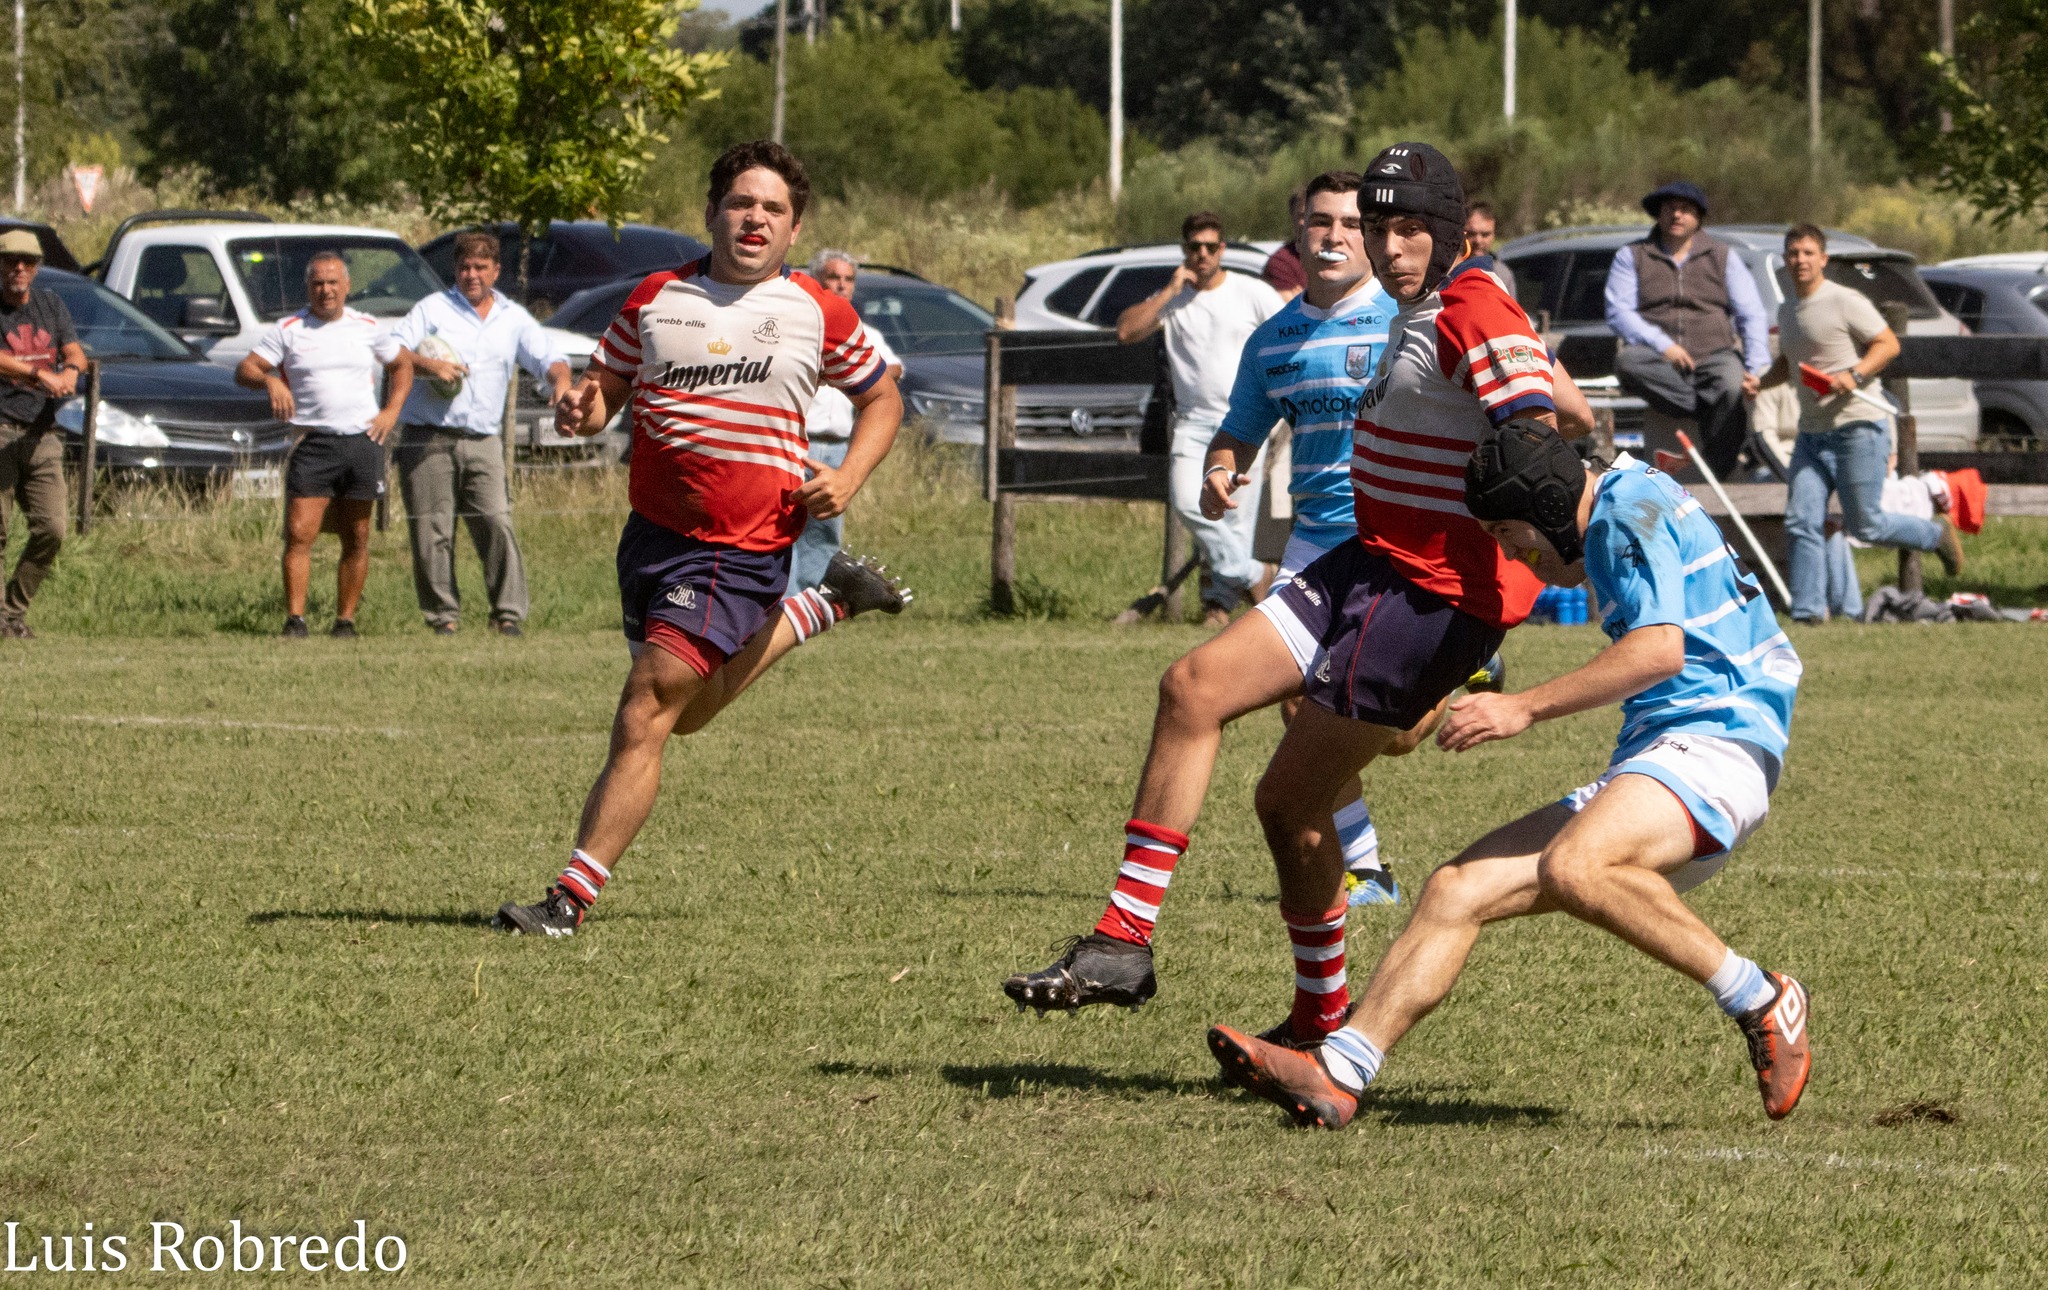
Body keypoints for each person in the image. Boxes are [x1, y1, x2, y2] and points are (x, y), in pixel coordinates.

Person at [1003, 143, 1567, 1052]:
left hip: (1427, 592)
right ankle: (1122, 941)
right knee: (1193, 688)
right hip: (1357, 564)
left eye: (1403, 227)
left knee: (1289, 800)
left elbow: (1540, 435)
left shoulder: (1472, 305)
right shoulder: (1397, 314)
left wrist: (1552, 546)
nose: (1386, 246)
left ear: (1453, 227)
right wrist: (1228, 467)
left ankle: (1320, 1019)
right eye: (1374, 226)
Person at [1208, 420, 1812, 1128]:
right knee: (1456, 890)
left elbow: (1658, 652)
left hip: (1718, 741)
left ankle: (1761, 997)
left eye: (1510, 533)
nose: (1513, 554)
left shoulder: (1620, 515)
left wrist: (1520, 707)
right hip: (1667, 748)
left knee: (1578, 867)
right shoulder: (1631, 494)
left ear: (1551, 508)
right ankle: (1341, 1073)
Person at [495, 140, 912, 938]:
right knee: (681, 714)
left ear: (794, 231)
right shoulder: (655, 296)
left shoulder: (816, 310)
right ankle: (823, 607)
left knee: (646, 708)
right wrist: (587, 408)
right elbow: (609, 385)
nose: (755, 219)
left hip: (741, 543)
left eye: (774, 209)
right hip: (651, 537)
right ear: (712, 212)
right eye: (741, 203)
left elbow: (882, 398)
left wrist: (850, 478)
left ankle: (568, 900)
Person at [1761, 224, 1964, 622]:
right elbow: (1789, 364)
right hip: (1812, 433)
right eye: (1792, 253)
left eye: (1807, 252)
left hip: (1857, 428)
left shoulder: (1844, 300)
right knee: (1802, 520)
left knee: (1865, 525)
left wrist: (1853, 376)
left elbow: (1888, 344)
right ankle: (1808, 614)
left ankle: (1935, 534)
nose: (1799, 260)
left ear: (1823, 259)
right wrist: (1758, 383)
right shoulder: (1787, 309)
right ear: (1785, 261)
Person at [392, 230, 573, 636]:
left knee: (495, 521)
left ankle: (506, 614)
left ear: (496, 271)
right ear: (455, 270)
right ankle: (443, 618)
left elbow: (549, 357)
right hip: (429, 437)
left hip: (483, 440)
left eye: (480, 267)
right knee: (432, 530)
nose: (471, 274)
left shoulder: (512, 318)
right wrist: (429, 365)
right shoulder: (432, 309)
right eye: (464, 267)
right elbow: (392, 351)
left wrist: (559, 382)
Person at [1116, 212, 1284, 627]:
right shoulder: (1174, 299)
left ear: (1223, 249)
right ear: (1184, 250)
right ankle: (1253, 573)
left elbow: (1286, 334)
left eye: (1211, 246)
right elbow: (1126, 332)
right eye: (1195, 247)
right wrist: (1171, 289)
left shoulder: (1251, 292)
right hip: (1192, 422)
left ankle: (1218, 610)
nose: (1203, 254)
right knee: (1188, 502)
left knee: (1236, 518)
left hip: (1245, 420)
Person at [236, 253, 412, 639]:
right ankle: (295, 619)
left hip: (362, 440)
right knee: (299, 532)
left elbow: (402, 365)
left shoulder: (368, 327)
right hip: (313, 442)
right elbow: (246, 369)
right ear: (308, 288)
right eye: (318, 283)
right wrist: (271, 382)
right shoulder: (289, 328)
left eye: (333, 282)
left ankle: (345, 620)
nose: (326, 290)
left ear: (347, 286)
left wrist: (391, 411)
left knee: (358, 535)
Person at [1605, 181, 1771, 478]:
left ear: (1698, 217)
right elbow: (1619, 312)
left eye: (1686, 209)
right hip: (1657, 360)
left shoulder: (1722, 256)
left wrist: (1757, 368)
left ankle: (1719, 472)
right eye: (1670, 209)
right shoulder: (1632, 255)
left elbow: (1751, 313)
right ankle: (1704, 407)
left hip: (1714, 354)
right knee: (1627, 362)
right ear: (1658, 214)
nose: (1677, 215)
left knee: (1731, 385)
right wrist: (1662, 344)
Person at [792, 248, 904, 590]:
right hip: (799, 444)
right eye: (833, 277)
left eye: (848, 279)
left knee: (825, 529)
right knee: (784, 528)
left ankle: (811, 598)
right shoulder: (799, 324)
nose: (841, 285)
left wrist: (851, 373)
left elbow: (895, 368)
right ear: (816, 279)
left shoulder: (863, 333)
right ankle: (779, 600)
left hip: (838, 445)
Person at [0, 228, 84, 639]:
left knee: (52, 528)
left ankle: (12, 612)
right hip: (0, 429)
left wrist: (69, 372)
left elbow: (75, 352)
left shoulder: (51, 304)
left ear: (37, 268)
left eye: (28, 261)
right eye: (11, 260)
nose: (19, 268)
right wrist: (38, 373)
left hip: (41, 432)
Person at [1456, 200, 1516, 299]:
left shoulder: (1502, 275)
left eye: (1485, 235)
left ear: (1493, 235)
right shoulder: (1448, 271)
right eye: (1471, 233)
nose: (1478, 241)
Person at [1261, 188, 1308, 300]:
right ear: (1293, 217)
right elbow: (1291, 310)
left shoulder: (1339, 257)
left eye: (1317, 216)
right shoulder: (1282, 263)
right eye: (1303, 215)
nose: (1309, 221)